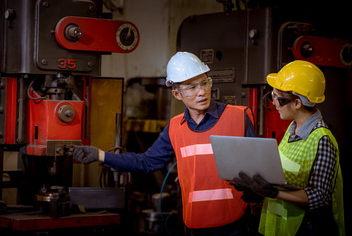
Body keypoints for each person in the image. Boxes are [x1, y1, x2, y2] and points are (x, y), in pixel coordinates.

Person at [73, 52, 256, 235]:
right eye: (192, 87)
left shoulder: (239, 117)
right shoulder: (176, 128)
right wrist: (100, 155)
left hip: (235, 224)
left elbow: (258, 169)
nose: (202, 91)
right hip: (195, 224)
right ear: (177, 94)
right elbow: (146, 162)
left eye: (204, 83)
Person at [232, 60, 345, 236]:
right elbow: (285, 178)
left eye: (277, 98)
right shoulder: (291, 130)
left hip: (306, 228)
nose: (273, 103)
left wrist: (274, 193)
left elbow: (320, 197)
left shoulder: (322, 140)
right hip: (280, 228)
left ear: (297, 103)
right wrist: (259, 190)